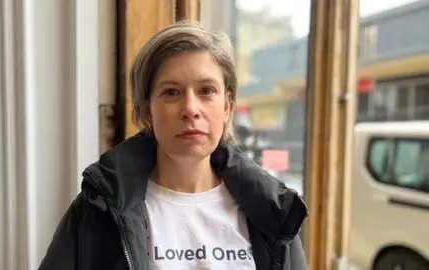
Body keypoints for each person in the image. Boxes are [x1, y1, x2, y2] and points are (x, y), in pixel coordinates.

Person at [38, 20, 308, 270]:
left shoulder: (272, 211)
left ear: (226, 106)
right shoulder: (98, 208)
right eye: (171, 92)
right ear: (147, 112)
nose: (190, 109)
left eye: (206, 91)